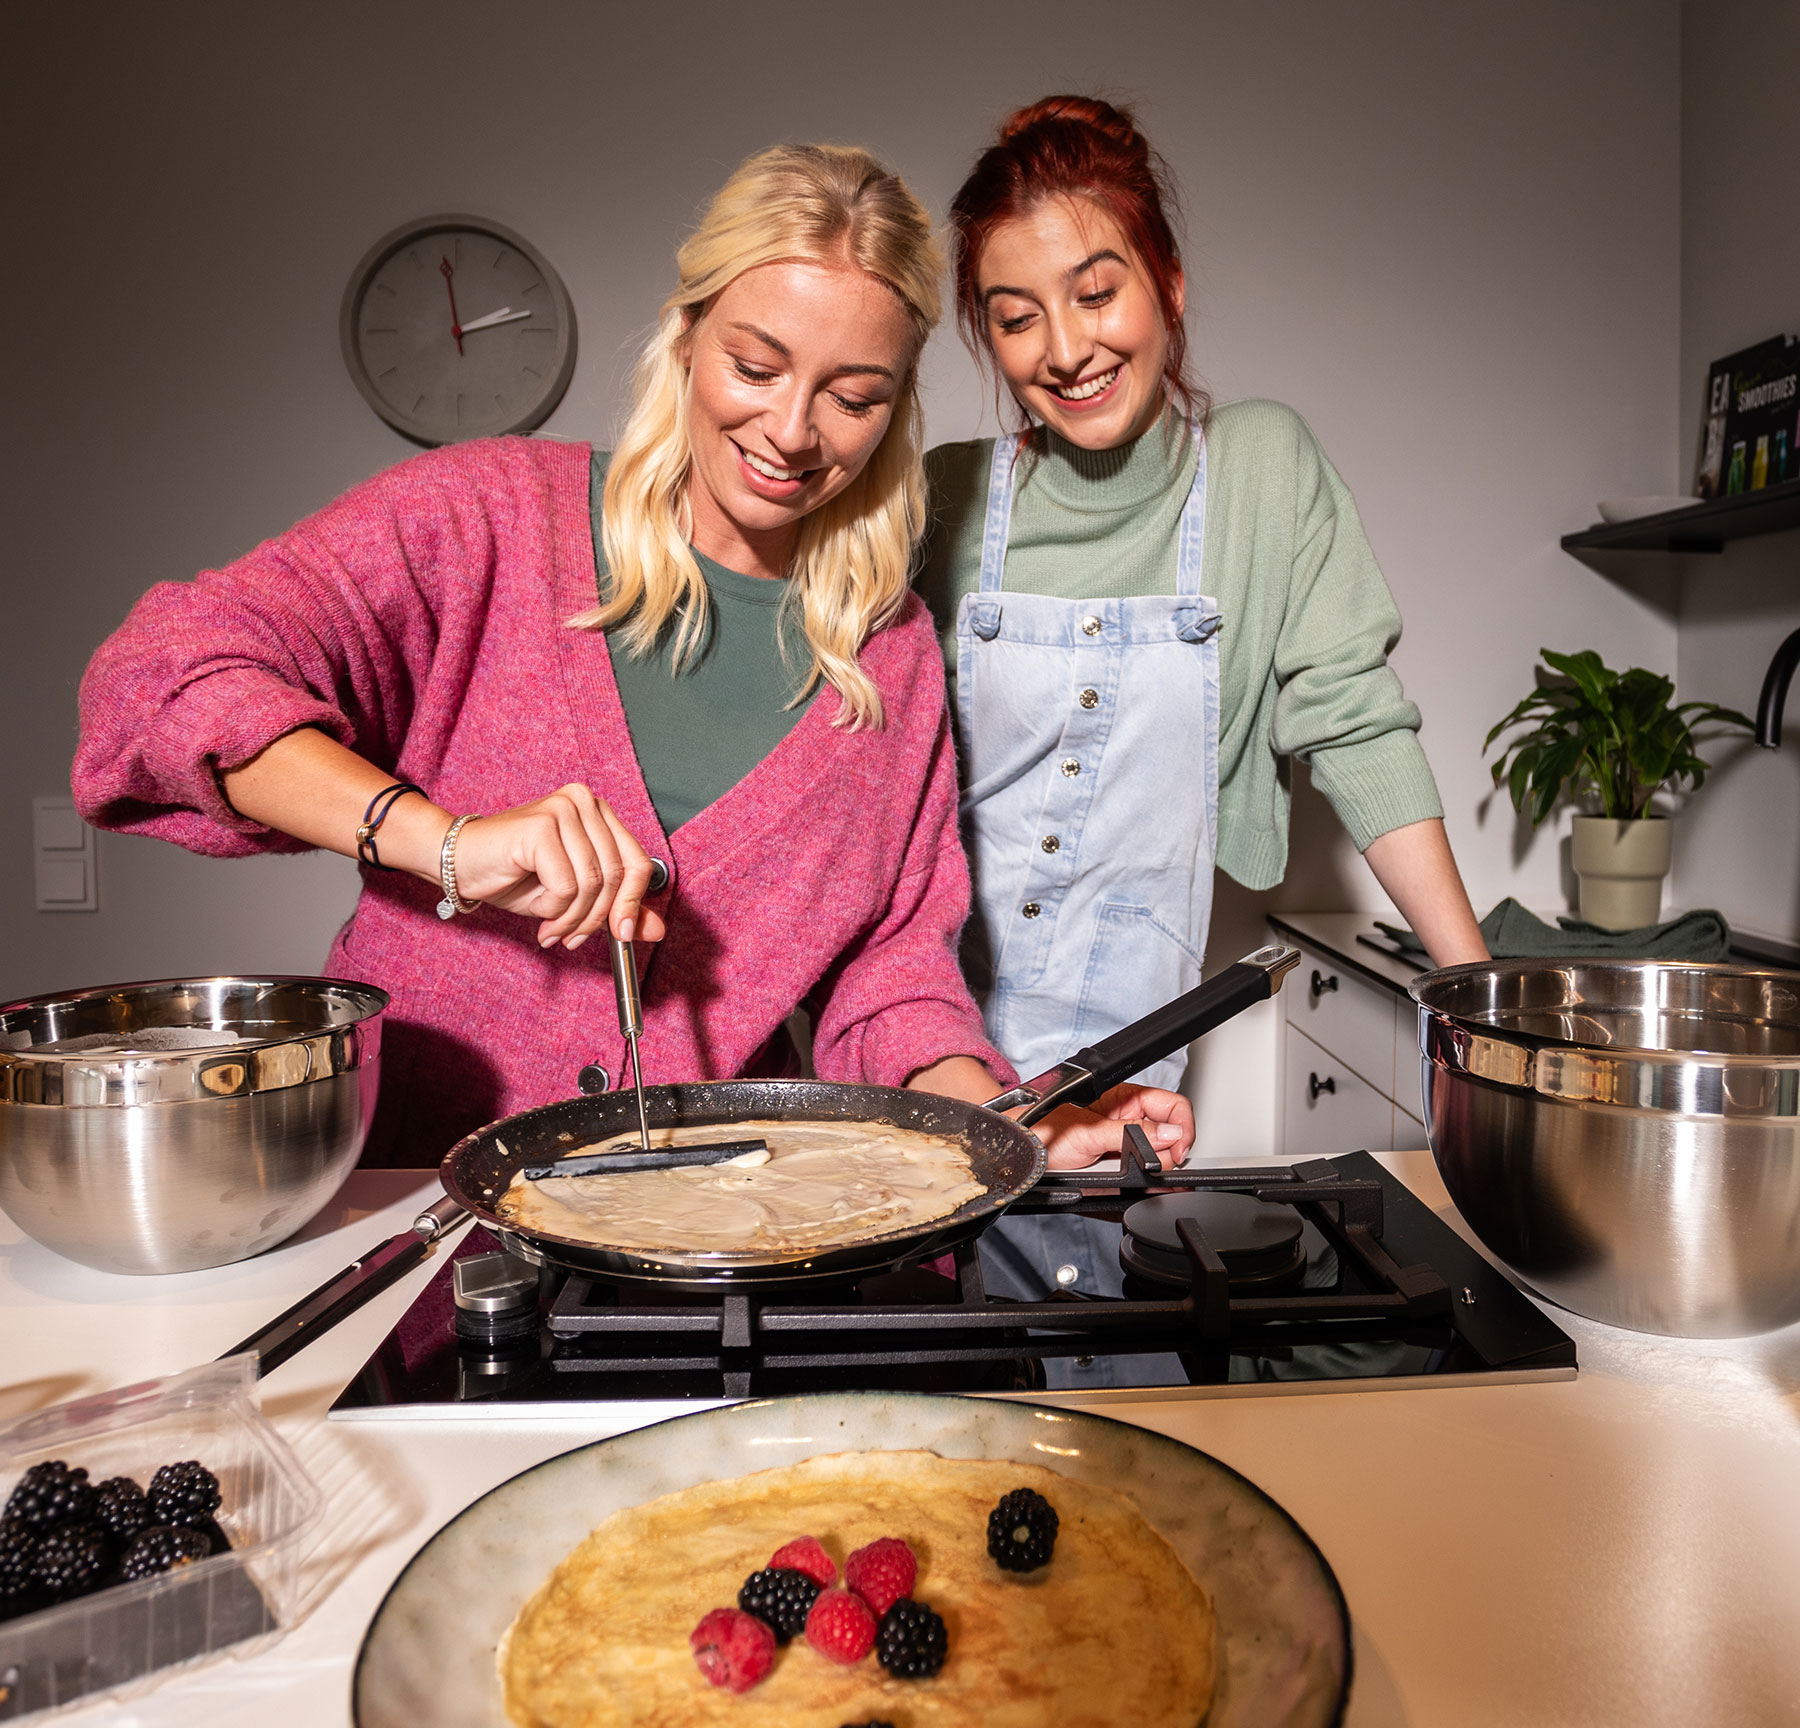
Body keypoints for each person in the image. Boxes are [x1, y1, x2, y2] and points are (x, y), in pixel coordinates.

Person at [74, 142, 1192, 1175]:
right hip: (418, 1213)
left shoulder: (884, 653)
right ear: (687, 335)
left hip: (709, 1249)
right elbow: (162, 677)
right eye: (755, 366)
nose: (795, 431)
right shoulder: (487, 518)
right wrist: (443, 842)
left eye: (854, 397)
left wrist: (998, 1117)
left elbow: (891, 976)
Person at [918, 96, 1488, 1301]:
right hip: (923, 1053)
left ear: (1167, 281)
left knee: (1101, 1386)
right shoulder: (942, 500)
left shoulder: (1263, 472)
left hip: (1127, 1074)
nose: (1063, 348)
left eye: (1095, 290)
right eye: (1013, 318)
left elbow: (1352, 718)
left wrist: (1481, 1005)